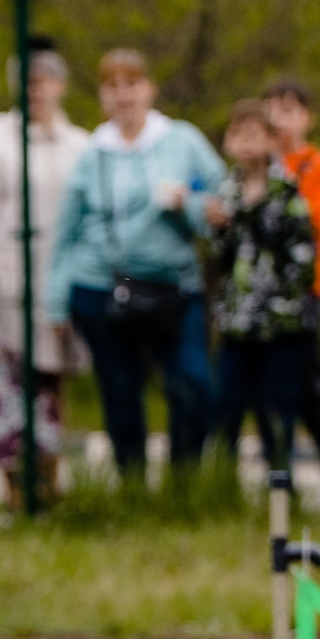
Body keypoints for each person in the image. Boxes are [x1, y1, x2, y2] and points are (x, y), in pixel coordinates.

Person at [47, 48, 224, 479]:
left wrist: (189, 205)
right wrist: (56, 301)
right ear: (103, 96)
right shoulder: (93, 153)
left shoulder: (182, 141)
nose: (124, 95)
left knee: (192, 383)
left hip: (173, 285)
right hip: (102, 285)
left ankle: (185, 480)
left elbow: (221, 207)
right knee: (121, 391)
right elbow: (67, 229)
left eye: (132, 84)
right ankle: (132, 484)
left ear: (150, 89)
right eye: (113, 86)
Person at [0, 35, 88, 501]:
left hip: (58, 284)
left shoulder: (79, 145)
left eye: (44, 81)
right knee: (9, 387)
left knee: (50, 384)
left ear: (60, 84)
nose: (36, 90)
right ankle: (15, 485)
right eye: (28, 82)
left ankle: (49, 478)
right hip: (8, 285)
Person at [203, 102, 319, 472]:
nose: (246, 143)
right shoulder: (225, 193)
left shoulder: (287, 191)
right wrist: (219, 228)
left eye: (254, 135)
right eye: (237, 135)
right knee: (227, 404)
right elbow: (219, 259)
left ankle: (281, 489)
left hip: (279, 322)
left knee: (276, 408)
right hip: (237, 320)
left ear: (272, 140)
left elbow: (302, 257)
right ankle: (222, 486)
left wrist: (283, 301)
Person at [262, 78, 320, 485]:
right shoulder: (255, 166)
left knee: (306, 385)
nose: (280, 119)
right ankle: (279, 484)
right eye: (273, 109)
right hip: (260, 295)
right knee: (267, 389)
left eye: (290, 109)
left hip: (305, 291)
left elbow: (313, 225)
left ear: (307, 117)